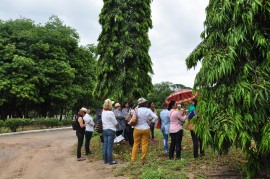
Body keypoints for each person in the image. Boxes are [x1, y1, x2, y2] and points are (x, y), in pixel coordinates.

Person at [131, 98, 158, 165]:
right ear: (145, 103)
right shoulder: (148, 110)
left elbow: (133, 118)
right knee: (144, 144)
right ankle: (143, 160)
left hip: (137, 128)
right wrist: (151, 122)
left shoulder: (136, 110)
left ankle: (133, 160)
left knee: (136, 144)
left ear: (139, 103)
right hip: (146, 128)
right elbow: (156, 117)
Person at [102, 99, 118, 165]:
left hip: (105, 130)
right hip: (111, 130)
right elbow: (115, 123)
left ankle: (105, 160)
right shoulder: (111, 113)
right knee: (109, 146)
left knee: (105, 145)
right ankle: (110, 161)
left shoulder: (103, 112)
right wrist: (117, 122)